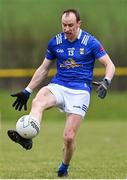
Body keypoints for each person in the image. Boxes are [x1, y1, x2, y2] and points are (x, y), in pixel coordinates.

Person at [7, 9, 115, 177]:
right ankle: (27, 137)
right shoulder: (55, 42)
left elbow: (110, 65)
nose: (67, 29)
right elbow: (44, 69)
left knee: (69, 137)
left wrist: (106, 81)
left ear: (79, 24)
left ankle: (64, 165)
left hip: (80, 91)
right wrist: (27, 90)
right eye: (64, 25)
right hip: (59, 85)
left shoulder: (90, 42)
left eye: (70, 25)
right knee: (38, 101)